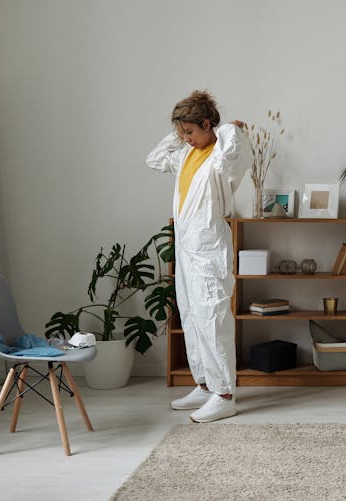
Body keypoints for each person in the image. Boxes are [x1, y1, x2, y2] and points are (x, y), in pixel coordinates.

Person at [147, 90, 252, 423]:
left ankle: (225, 395)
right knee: (192, 318)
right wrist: (181, 131)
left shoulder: (221, 156)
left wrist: (225, 129)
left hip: (208, 246)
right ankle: (206, 385)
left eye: (190, 132)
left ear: (208, 124)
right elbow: (154, 158)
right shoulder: (185, 155)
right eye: (182, 134)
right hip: (186, 248)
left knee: (213, 318)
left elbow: (235, 144)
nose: (186, 139)